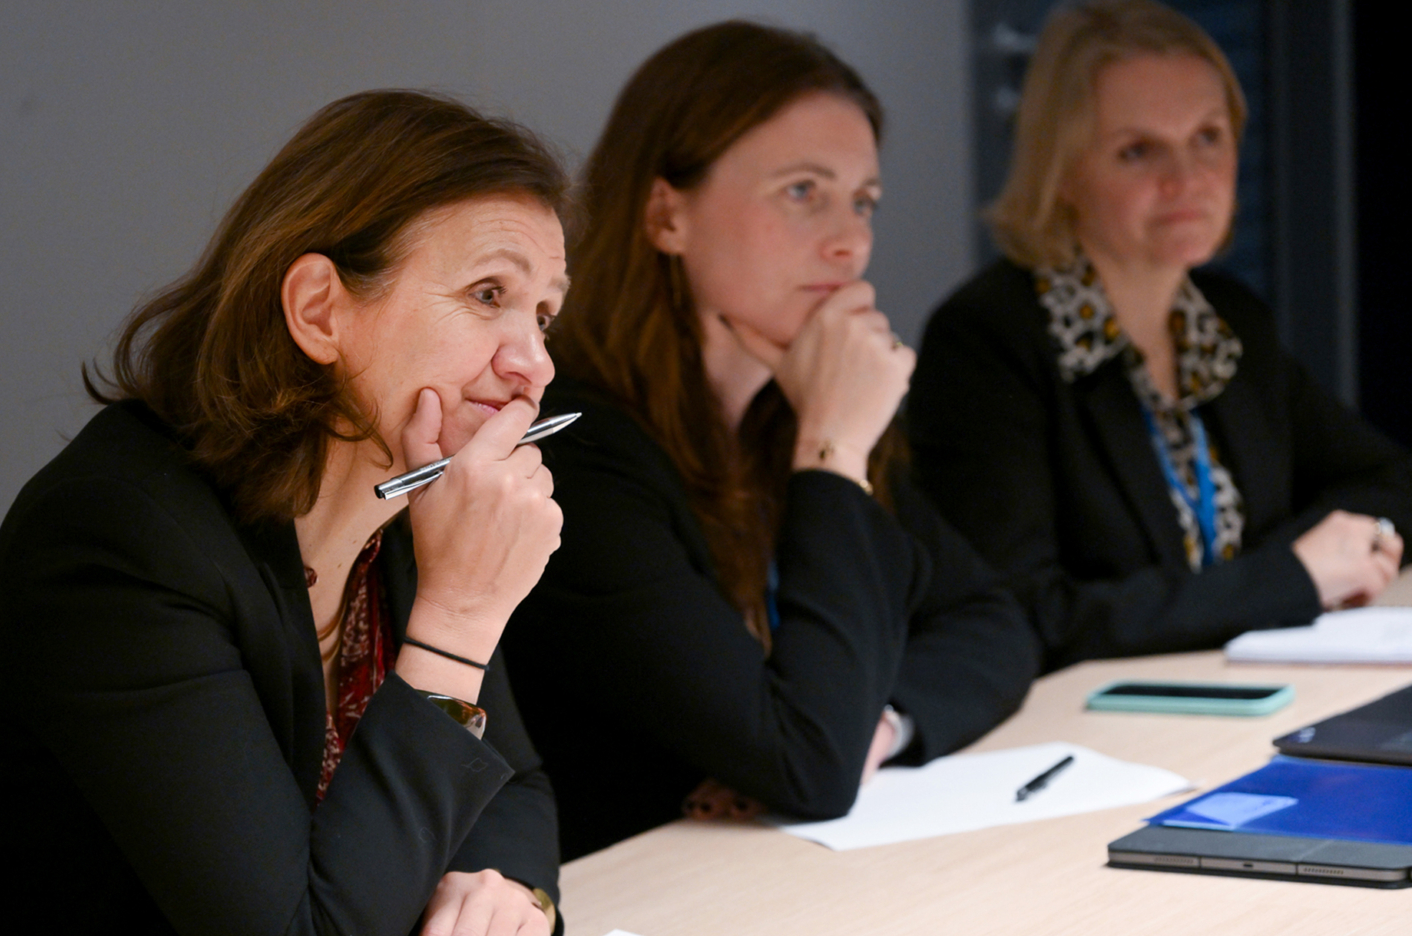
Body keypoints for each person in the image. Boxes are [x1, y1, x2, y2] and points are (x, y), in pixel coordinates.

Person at [0, 91, 569, 936]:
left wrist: (508, 886)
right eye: (489, 296)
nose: (536, 365)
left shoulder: (403, 507)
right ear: (319, 311)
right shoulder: (122, 536)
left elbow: (516, 783)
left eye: (544, 315)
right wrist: (462, 618)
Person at [500, 22, 1038, 861]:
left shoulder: (800, 407)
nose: (850, 240)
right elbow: (809, 765)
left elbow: (992, 621)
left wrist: (882, 724)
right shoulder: (574, 450)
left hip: (768, 880)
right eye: (802, 191)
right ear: (665, 213)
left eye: (862, 200)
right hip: (629, 914)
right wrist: (833, 448)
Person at [908, 0, 1412, 671]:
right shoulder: (987, 343)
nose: (1188, 180)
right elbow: (1027, 613)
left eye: (1208, 137)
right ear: (1062, 173)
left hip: (1244, 687)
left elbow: (1390, 481)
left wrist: (1334, 554)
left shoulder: (1226, 317)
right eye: (1138, 151)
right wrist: (1289, 577)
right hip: (1093, 730)